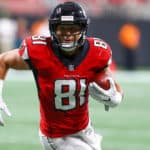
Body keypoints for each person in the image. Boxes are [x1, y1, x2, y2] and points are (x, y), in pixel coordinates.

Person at [0, 2, 123, 150]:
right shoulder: (39, 51)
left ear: (83, 28)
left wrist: (116, 96)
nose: (68, 34)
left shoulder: (97, 52)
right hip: (57, 136)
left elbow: (111, 83)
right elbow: (3, 60)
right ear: (53, 29)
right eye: (62, 28)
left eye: (73, 28)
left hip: (85, 128)